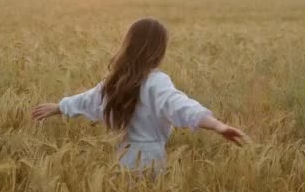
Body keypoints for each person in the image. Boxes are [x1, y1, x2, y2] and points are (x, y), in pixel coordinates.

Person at [31, 18, 245, 172]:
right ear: (159, 50)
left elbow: (88, 99)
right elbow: (180, 105)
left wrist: (59, 106)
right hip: (150, 161)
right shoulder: (156, 81)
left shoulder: (116, 81)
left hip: (123, 159)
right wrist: (218, 126)